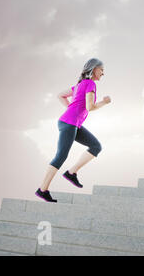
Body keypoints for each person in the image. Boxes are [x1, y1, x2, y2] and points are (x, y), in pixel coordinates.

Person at [35, 58, 112, 202]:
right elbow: (90, 107)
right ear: (94, 69)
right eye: (102, 69)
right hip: (69, 123)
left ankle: (71, 173)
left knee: (95, 146)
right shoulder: (90, 83)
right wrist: (104, 102)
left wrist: (71, 109)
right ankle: (42, 190)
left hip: (71, 123)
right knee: (61, 156)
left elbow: (60, 95)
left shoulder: (79, 85)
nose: (103, 73)